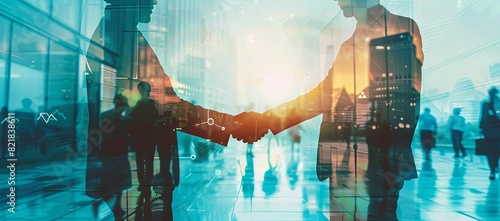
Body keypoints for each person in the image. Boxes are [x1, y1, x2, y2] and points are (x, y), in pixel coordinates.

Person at [235, 0, 424, 219]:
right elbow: (324, 95)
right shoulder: (349, 45)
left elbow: (404, 99)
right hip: (342, 160)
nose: (338, 1)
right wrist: (266, 120)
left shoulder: (399, 28)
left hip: (376, 163)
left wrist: (389, 162)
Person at [99, 94, 131, 220]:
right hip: (118, 154)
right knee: (118, 182)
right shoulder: (121, 119)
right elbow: (124, 136)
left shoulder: (105, 115)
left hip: (107, 153)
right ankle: (116, 207)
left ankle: (114, 206)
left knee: (109, 180)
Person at [479, 86, 500, 180]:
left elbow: (482, 117)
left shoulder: (485, 103)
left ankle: (492, 171)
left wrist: (480, 128)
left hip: (488, 130)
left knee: (490, 151)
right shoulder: (497, 102)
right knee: (496, 150)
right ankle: (494, 166)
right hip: (496, 129)